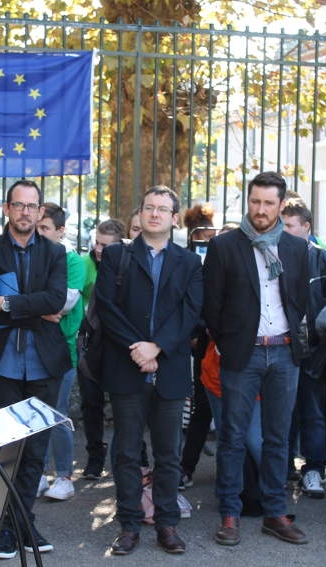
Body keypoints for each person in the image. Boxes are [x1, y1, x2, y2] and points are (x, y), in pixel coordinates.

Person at [204, 171, 310, 547]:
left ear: (281, 205)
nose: (260, 210)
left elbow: (300, 302)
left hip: (284, 353)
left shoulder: (297, 249)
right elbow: (211, 307)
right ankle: (230, 515)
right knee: (232, 438)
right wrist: (230, 343)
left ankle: (275, 513)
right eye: (255, 202)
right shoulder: (225, 246)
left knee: (278, 439)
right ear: (247, 202)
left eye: (268, 203)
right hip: (242, 354)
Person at [96, 186, 203, 555]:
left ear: (175, 218)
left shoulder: (189, 262)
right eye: (148, 208)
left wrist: (157, 346)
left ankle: (167, 523)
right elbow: (107, 308)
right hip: (127, 367)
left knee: (169, 453)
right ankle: (128, 525)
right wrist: (138, 349)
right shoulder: (115, 256)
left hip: (170, 368)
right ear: (139, 214)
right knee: (127, 451)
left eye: (163, 209)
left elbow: (191, 313)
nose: (154, 214)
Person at [0, 179, 70, 560]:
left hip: (46, 364)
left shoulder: (56, 252)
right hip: (3, 365)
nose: (25, 212)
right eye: (19, 205)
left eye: (32, 206)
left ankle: (17, 523)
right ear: (8, 210)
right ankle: (13, 527)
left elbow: (57, 299)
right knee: (9, 449)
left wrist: (9, 305)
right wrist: (35, 309)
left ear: (40, 210)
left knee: (36, 449)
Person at [281, 199, 326, 500]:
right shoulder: (272, 257)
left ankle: (314, 468)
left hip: (317, 349)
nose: (284, 232)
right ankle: (284, 464)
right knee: (282, 411)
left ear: (306, 228)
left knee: (314, 411)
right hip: (282, 348)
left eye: (290, 226)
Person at [36, 202, 86, 500]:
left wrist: (30, 307)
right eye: (37, 227)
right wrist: (36, 307)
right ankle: (40, 473)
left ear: (60, 231)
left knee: (57, 413)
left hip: (62, 347)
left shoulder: (73, 261)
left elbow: (62, 304)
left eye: (45, 228)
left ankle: (65, 475)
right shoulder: (32, 256)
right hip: (33, 346)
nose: (38, 233)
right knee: (36, 414)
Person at [79, 218, 126, 479]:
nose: (99, 249)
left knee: (123, 406)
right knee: (91, 404)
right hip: (90, 343)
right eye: (97, 242)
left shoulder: (126, 265)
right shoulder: (85, 265)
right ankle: (94, 457)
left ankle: (127, 457)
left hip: (116, 346)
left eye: (106, 245)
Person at [179, 203, 218, 488]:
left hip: (222, 341)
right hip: (206, 343)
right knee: (202, 408)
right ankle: (186, 467)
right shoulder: (189, 257)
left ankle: (187, 468)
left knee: (205, 410)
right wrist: (197, 330)